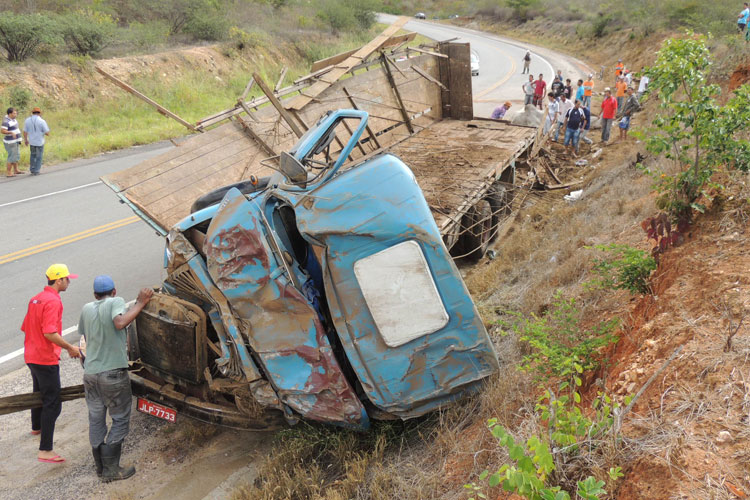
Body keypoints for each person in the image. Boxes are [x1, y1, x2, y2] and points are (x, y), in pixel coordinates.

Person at [80, 276, 153, 482]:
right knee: (120, 418)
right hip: (112, 373)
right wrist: (140, 303)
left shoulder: (86, 308)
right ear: (114, 291)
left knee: (96, 418)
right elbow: (120, 322)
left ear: (95, 295)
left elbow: (85, 336)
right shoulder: (116, 301)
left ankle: (100, 467)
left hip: (90, 374)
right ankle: (111, 469)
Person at [21, 264, 81, 463]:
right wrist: (70, 348)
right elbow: (49, 332)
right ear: (58, 281)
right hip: (44, 359)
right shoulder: (53, 301)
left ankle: (36, 427)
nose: (69, 281)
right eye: (66, 278)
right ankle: (45, 450)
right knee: (53, 403)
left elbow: (27, 326)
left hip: (31, 354)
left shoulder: (35, 298)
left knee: (39, 392)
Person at [23, 107, 50, 176]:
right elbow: (47, 133)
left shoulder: (27, 120)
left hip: (31, 141)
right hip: (39, 141)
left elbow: (25, 131)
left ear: (32, 113)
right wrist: (43, 133)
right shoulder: (41, 121)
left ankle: (32, 169)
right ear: (39, 113)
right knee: (39, 156)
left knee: (32, 155)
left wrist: (26, 140)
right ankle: (37, 170)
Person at [2, 107, 22, 177]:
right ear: (10, 113)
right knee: (11, 157)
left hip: (16, 140)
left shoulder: (13, 119)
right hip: (10, 142)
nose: (16, 114)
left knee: (16, 155)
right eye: (14, 113)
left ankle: (16, 170)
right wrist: (11, 132)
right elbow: (2, 131)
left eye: (16, 113)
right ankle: (9, 172)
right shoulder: (6, 121)